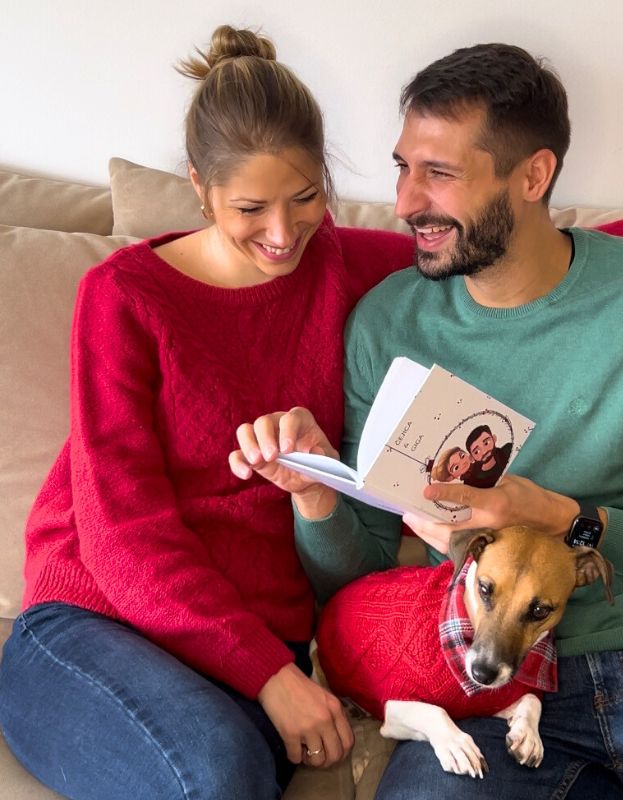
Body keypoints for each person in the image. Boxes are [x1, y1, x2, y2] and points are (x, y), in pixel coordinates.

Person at [232, 43, 623, 799]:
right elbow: (361, 573)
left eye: (439, 173)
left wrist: (564, 518)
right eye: (402, 168)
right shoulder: (388, 324)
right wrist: (314, 496)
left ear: (533, 177)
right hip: (478, 688)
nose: (404, 201)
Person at [0, 25, 423, 800]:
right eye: (251, 208)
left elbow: (492, 255)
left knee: (225, 771)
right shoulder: (123, 297)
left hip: (257, 650)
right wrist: (270, 676)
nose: (283, 233)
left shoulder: (339, 263)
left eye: (305, 198)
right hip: (96, 626)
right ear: (199, 187)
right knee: (215, 774)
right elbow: (120, 533)